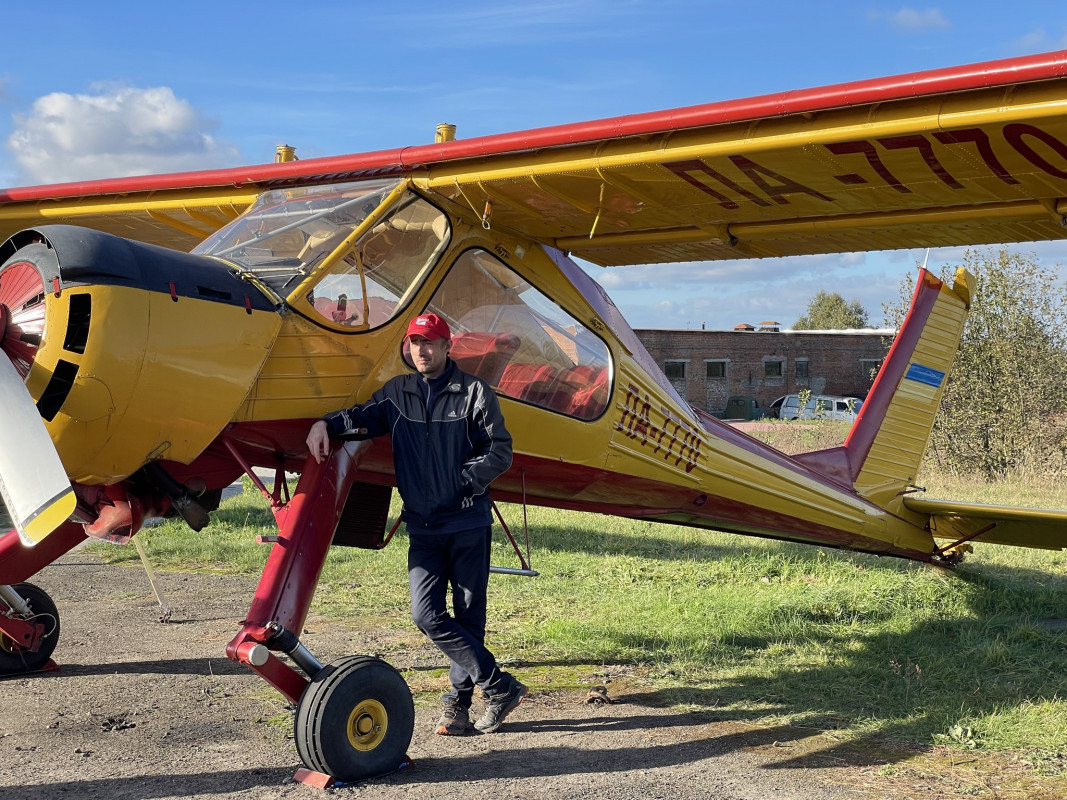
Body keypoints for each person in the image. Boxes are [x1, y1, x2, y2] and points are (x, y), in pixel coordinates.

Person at [305, 312, 527, 735]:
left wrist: (464, 483)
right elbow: (361, 416)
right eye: (414, 343)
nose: (421, 350)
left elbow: (499, 449)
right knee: (426, 614)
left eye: (429, 342)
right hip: (423, 527)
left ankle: (457, 708)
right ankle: (499, 686)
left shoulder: (475, 393)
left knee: (468, 617)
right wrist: (324, 425)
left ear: (447, 347)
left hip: (466, 522)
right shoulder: (397, 394)